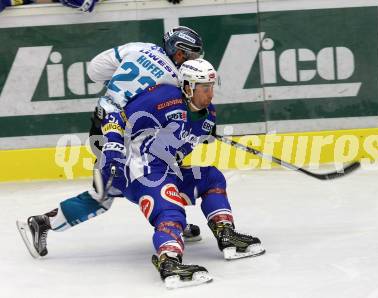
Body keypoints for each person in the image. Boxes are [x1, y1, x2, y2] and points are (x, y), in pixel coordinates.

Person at [16, 26, 204, 259]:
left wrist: (121, 90)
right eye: (189, 55)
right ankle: (43, 222)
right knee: (110, 189)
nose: (191, 60)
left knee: (146, 173)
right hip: (120, 130)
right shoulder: (174, 79)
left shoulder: (139, 48)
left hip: (101, 120)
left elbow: (95, 70)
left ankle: (172, 220)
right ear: (177, 51)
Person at [100, 58, 265, 288]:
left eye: (212, 88)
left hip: (167, 171)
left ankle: (225, 233)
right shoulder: (162, 98)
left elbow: (186, 136)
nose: (211, 95)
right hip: (142, 171)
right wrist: (113, 150)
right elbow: (116, 118)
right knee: (170, 211)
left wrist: (200, 129)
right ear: (188, 87)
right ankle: (168, 260)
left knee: (211, 177)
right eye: (205, 89)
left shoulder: (208, 116)